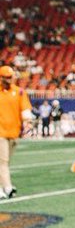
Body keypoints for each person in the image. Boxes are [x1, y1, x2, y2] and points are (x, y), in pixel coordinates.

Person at [0, 64, 34, 198]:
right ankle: (8, 188)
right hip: (0, 132)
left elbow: (25, 110)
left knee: (5, 162)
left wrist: (28, 124)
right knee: (3, 161)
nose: (9, 80)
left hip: (14, 132)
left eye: (10, 77)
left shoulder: (19, 92)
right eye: (6, 78)